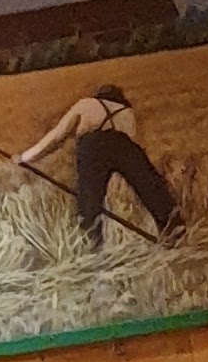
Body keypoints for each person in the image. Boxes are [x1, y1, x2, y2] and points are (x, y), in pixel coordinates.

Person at [18, 81, 185, 247]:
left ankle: (91, 242)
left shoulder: (86, 104)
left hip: (92, 148)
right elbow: (132, 140)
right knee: (148, 183)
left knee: (89, 199)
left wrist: (25, 158)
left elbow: (56, 136)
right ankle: (171, 223)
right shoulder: (126, 111)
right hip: (124, 146)